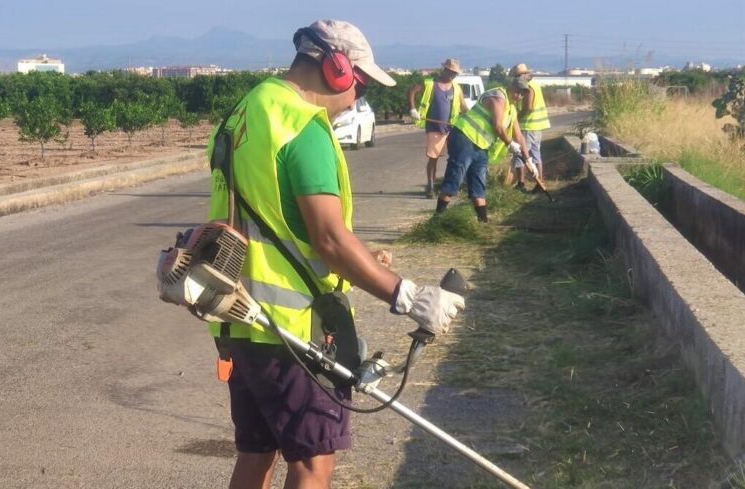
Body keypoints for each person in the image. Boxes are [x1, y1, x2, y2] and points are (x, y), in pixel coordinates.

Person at [205, 20, 466, 489]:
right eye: (360, 85)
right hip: (293, 329)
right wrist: (407, 295)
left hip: (239, 319)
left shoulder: (245, 112)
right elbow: (327, 239)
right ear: (336, 68)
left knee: (256, 454)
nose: (356, 98)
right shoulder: (303, 127)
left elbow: (278, 221)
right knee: (313, 464)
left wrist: (358, 256)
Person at [435, 77, 531, 222]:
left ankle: (483, 222)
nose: (519, 96)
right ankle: (438, 218)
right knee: (455, 177)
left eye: (522, 94)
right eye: (517, 91)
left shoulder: (511, 109)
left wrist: (528, 160)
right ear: (510, 87)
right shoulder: (498, 96)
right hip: (464, 137)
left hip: (481, 145)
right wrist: (509, 143)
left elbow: (519, 136)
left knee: (478, 183)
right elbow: (498, 126)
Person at [407, 59, 469, 198]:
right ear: (444, 70)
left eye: (455, 73)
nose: (453, 75)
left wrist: (472, 117)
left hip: (451, 128)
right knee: (433, 158)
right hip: (434, 127)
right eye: (451, 72)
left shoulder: (456, 88)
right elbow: (412, 91)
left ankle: (450, 185)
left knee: (455, 158)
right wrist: (412, 109)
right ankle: (430, 187)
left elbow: (463, 107)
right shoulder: (430, 84)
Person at [509, 63, 550, 191]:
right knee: (536, 154)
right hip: (536, 126)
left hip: (528, 125)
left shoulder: (528, 87)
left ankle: (521, 183)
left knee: (521, 153)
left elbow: (528, 107)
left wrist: (516, 119)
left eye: (516, 77)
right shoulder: (535, 84)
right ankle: (540, 183)